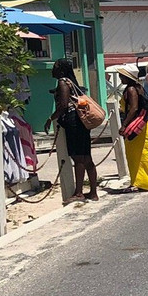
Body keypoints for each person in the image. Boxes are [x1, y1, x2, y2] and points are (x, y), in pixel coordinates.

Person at [45, 58, 99, 202]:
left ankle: (79, 192)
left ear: (61, 70)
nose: (52, 70)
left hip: (74, 122)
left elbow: (63, 106)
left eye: (55, 67)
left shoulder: (63, 82)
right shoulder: (71, 81)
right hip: (81, 122)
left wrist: (50, 118)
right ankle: (93, 192)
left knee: (78, 157)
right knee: (86, 157)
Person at [117, 68, 148, 192]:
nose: (120, 78)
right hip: (143, 123)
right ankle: (143, 182)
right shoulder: (138, 87)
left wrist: (124, 124)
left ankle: (142, 182)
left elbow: (134, 108)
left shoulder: (130, 89)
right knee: (142, 153)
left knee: (137, 154)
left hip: (137, 124)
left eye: (122, 76)